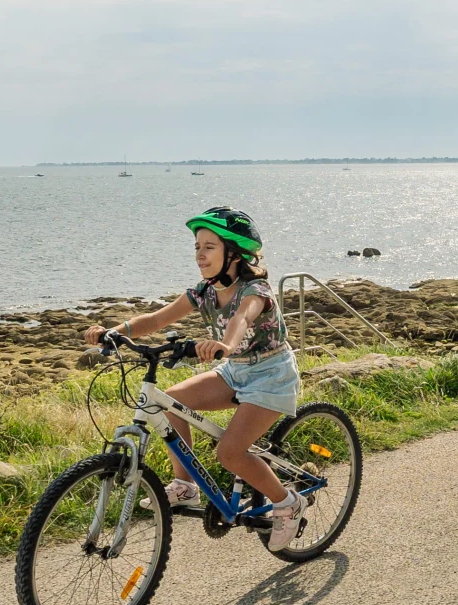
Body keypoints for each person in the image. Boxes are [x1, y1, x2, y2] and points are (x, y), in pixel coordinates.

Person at [82, 207, 305, 551]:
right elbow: (157, 319)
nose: (200, 255)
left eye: (209, 247)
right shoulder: (205, 291)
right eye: (197, 247)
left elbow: (243, 319)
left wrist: (225, 345)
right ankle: (185, 486)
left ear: (234, 253)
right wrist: (114, 331)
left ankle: (287, 502)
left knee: (229, 453)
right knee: (170, 403)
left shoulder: (255, 289)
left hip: (269, 375)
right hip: (234, 371)